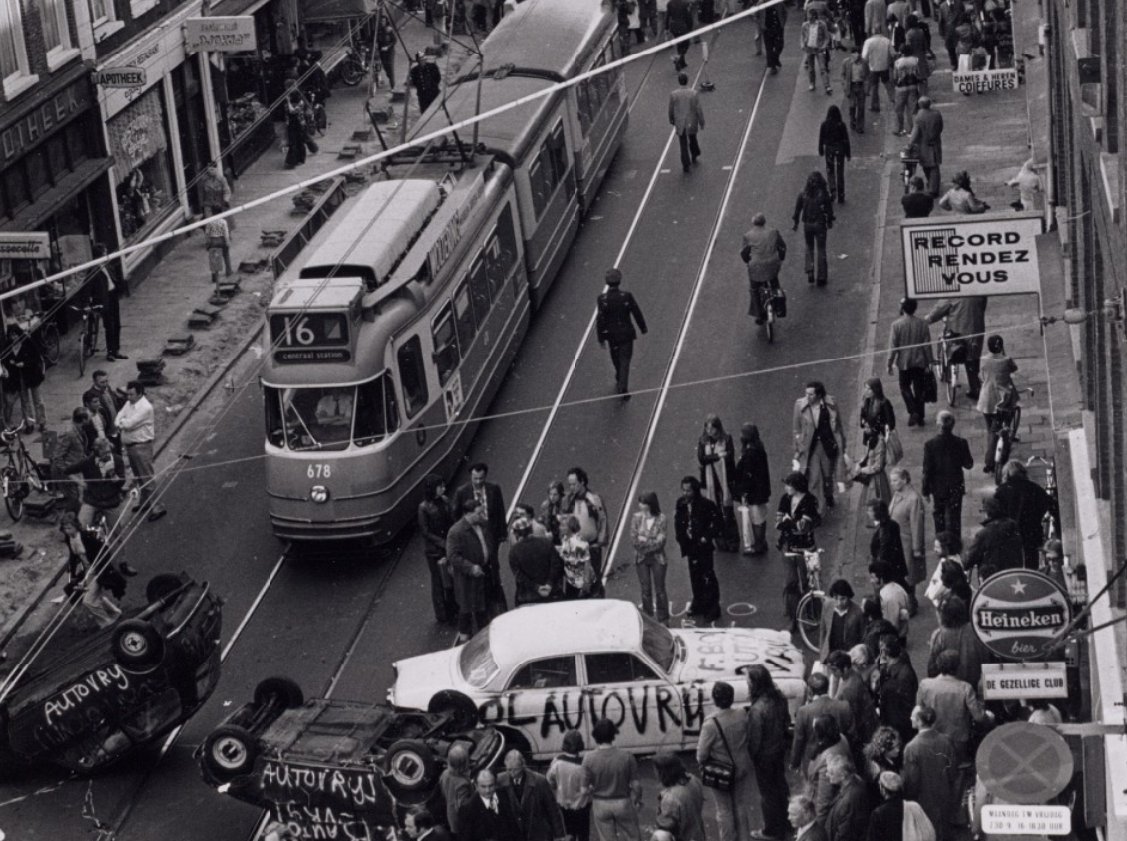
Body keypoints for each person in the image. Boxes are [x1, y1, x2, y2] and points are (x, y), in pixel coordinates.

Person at [696, 682, 755, 841]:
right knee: (739, 805)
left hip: (722, 771)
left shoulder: (711, 724)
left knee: (723, 809)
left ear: (715, 699)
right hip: (742, 766)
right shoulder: (742, 714)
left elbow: (701, 755)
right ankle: (744, 838)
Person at [916, 649, 989, 766]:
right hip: (958, 739)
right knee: (956, 768)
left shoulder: (925, 685)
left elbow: (918, 710)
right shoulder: (965, 688)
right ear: (957, 667)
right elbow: (978, 717)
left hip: (933, 736)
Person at [446, 498, 505, 642]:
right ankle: (467, 639)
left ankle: (484, 636)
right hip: (470, 578)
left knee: (485, 606)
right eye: (479, 513)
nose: (482, 515)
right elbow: (452, 556)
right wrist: (470, 568)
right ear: (468, 514)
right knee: (469, 608)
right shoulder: (456, 532)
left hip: (486, 572)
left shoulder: (483, 524)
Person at [60, 512, 129, 628]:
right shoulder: (69, 539)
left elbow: (104, 549)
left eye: (69, 528)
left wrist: (99, 565)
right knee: (94, 595)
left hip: (98, 571)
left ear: (76, 526)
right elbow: (73, 556)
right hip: (88, 571)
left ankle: (107, 622)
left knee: (88, 601)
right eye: (65, 528)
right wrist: (72, 574)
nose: (67, 531)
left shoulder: (86, 537)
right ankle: (115, 613)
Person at [747, 664, 792, 841]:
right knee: (781, 786)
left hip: (764, 756)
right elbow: (786, 722)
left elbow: (755, 740)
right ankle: (786, 822)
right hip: (778, 750)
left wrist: (751, 757)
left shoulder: (757, 709)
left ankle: (772, 830)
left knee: (767, 794)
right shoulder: (780, 698)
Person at [902, 705, 958, 841]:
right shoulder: (946, 741)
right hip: (944, 797)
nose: (910, 718)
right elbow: (953, 772)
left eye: (913, 717)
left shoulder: (911, 748)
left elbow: (912, 782)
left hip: (923, 801)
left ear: (920, 722)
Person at [582, 718, 643, 841]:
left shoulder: (588, 758)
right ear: (613, 735)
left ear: (595, 736)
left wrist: (592, 790)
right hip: (623, 803)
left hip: (600, 804)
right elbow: (636, 785)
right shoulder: (627, 756)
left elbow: (584, 790)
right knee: (634, 837)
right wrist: (637, 799)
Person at [115, 380, 166, 522]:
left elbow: (129, 424)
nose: (128, 397)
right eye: (127, 394)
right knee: (139, 477)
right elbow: (119, 416)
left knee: (146, 477)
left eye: (131, 394)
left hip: (141, 446)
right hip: (131, 447)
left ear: (139, 393)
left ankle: (157, 506)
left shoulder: (145, 408)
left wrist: (122, 423)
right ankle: (145, 501)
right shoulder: (129, 403)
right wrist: (122, 422)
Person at [675, 475, 723, 622]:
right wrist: (681, 537)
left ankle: (712, 607)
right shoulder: (681, 504)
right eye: (683, 490)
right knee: (694, 575)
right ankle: (699, 602)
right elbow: (678, 521)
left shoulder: (706, 504)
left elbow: (718, 522)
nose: (685, 494)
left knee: (707, 576)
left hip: (703, 546)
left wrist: (706, 537)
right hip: (690, 545)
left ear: (695, 490)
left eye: (688, 491)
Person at [793, 381, 847, 509]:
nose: (807, 397)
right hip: (810, 447)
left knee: (828, 475)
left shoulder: (831, 403)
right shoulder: (800, 405)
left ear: (819, 394)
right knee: (814, 477)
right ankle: (816, 506)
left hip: (827, 444)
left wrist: (842, 444)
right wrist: (797, 449)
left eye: (811, 394)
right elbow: (796, 429)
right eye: (806, 394)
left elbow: (838, 425)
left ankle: (829, 496)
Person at [596, 268, 648, 399]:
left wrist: (601, 337)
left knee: (615, 358)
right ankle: (623, 384)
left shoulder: (602, 299)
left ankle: (620, 376)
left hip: (612, 336)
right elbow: (636, 312)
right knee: (625, 360)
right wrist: (642, 327)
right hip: (626, 334)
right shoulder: (626, 296)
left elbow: (600, 319)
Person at [921, 411, 973, 540]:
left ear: (939, 425)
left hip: (938, 487)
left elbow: (927, 470)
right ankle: (955, 543)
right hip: (956, 486)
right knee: (955, 516)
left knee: (939, 515)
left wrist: (925, 491)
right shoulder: (961, 442)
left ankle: (941, 541)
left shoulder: (930, 445)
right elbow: (969, 464)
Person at [993, 460, 1053, 568]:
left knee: (1012, 567)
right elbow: (1049, 505)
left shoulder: (1001, 491)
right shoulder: (1035, 488)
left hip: (1009, 536)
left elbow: (995, 512)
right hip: (1032, 533)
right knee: (1031, 566)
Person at [791, 673, 853, 775]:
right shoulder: (844, 706)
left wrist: (794, 763)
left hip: (814, 761)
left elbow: (799, 740)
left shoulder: (804, 711)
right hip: (840, 758)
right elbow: (851, 734)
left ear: (810, 690)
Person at [497, 749, 566, 841]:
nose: (512, 773)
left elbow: (552, 809)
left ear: (523, 766)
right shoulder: (500, 780)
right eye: (509, 770)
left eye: (515, 769)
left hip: (537, 833)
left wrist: (559, 835)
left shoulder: (539, 782)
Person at [887, 298, 935, 426]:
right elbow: (927, 345)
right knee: (919, 389)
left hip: (904, 363)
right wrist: (930, 360)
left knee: (904, 387)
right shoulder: (922, 324)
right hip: (920, 362)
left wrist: (889, 363)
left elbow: (893, 347)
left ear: (902, 308)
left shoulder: (896, 325)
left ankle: (913, 410)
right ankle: (920, 417)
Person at [419, 474, 458, 624]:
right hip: (434, 551)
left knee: (450, 578)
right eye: (440, 486)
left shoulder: (445, 500)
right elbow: (425, 531)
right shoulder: (423, 508)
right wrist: (443, 543)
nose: (444, 488)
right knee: (438, 581)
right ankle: (442, 613)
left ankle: (453, 608)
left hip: (447, 545)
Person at [926, 595, 988, 688]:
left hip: (949, 685)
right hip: (974, 682)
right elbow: (985, 658)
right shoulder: (977, 630)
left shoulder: (939, 635)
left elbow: (932, 667)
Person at [977, 334, 1018, 473]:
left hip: (987, 399)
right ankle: (1000, 459)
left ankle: (989, 462)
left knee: (991, 430)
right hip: (1003, 400)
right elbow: (1014, 368)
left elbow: (981, 375)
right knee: (1004, 428)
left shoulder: (983, 360)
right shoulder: (1006, 360)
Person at [565, 467, 609, 593]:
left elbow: (603, 519)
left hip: (591, 546)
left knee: (593, 580)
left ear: (582, 482)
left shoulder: (594, 499)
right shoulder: (568, 500)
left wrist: (599, 542)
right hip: (574, 547)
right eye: (570, 485)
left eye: (574, 484)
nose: (571, 487)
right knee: (574, 581)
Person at [697, 414, 737, 551]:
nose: (709, 431)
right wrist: (717, 456)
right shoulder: (703, 441)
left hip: (724, 480)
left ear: (717, 428)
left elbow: (730, 457)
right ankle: (720, 539)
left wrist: (711, 458)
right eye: (707, 428)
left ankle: (732, 539)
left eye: (712, 428)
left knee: (728, 510)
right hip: (711, 480)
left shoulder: (726, 439)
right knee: (715, 511)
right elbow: (701, 458)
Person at [888, 468, 927, 610]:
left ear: (904, 480)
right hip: (897, 542)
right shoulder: (898, 493)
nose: (892, 483)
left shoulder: (913, 498)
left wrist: (916, 548)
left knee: (909, 576)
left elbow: (916, 525)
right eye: (891, 480)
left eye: (895, 480)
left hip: (907, 543)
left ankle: (911, 604)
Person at [740, 213, 787, 325]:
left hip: (756, 267)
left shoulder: (748, 236)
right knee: (775, 284)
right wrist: (780, 258)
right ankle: (779, 307)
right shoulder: (773, 232)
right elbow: (782, 247)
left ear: (754, 223)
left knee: (754, 289)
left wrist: (748, 261)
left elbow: (744, 253)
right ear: (764, 222)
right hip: (772, 265)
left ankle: (759, 313)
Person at [732, 422, 772, 555]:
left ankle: (758, 544)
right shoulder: (759, 448)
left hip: (754, 492)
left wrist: (743, 491)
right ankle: (762, 541)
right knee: (760, 516)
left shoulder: (750, 452)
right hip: (761, 489)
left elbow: (747, 475)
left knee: (756, 518)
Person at [826, 650, 879, 749]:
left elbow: (851, 718)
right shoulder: (853, 672)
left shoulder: (849, 689)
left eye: (834, 670)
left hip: (862, 732)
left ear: (845, 669)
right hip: (869, 722)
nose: (832, 673)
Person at [631, 491, 670, 623]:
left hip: (657, 558)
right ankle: (649, 619)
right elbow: (634, 540)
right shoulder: (636, 518)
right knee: (645, 589)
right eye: (640, 503)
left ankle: (663, 618)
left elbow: (661, 541)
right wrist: (650, 540)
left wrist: (645, 541)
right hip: (641, 559)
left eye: (643, 503)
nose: (640, 506)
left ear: (650, 505)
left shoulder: (661, 518)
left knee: (660, 589)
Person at [808, 716, 854, 826]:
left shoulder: (828, 758)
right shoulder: (841, 738)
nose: (813, 732)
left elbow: (824, 798)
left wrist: (818, 826)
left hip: (820, 805)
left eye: (815, 729)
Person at [963, 496, 1024, 578]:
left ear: (987, 513)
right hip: (1014, 575)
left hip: (992, 577)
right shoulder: (1013, 527)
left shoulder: (984, 534)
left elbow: (969, 560)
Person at [792, 171, 835, 287]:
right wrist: (830, 220)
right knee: (821, 249)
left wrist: (796, 222)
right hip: (820, 225)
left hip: (807, 225)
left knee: (809, 247)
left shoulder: (803, 194)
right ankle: (821, 276)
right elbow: (829, 210)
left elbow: (797, 211)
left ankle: (810, 270)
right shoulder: (823, 194)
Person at [547, 730, 591, 841]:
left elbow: (549, 780)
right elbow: (585, 789)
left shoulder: (556, 761)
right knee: (583, 835)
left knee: (568, 834)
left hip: (563, 804)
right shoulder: (583, 765)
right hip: (581, 806)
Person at [874, 635, 919, 744]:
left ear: (885, 652)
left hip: (899, 723)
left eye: (881, 648)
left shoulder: (903, 675)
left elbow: (906, 704)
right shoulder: (895, 665)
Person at [509, 516, 564, 605]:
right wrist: (549, 584)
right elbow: (556, 565)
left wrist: (537, 588)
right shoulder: (546, 543)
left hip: (528, 597)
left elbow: (520, 577)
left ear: (516, 534)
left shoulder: (514, 552)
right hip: (552, 594)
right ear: (531, 529)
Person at [76, 437, 127, 529]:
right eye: (104, 453)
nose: (107, 455)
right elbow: (67, 471)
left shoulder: (117, 460)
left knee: (116, 532)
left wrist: (112, 474)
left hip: (110, 501)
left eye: (109, 452)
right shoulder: (88, 462)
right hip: (92, 500)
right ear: (96, 452)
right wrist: (81, 483)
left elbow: (122, 482)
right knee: (82, 526)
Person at [2, 325, 46, 432]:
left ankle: (41, 422)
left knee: (37, 399)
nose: (13, 337)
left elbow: (36, 357)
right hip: (19, 376)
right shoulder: (8, 346)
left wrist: (25, 363)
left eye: (15, 334)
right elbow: (5, 359)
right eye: (11, 335)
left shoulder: (27, 342)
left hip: (32, 374)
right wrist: (11, 363)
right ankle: (29, 423)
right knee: (24, 400)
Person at [459, 768, 523, 841]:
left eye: (491, 786)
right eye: (483, 786)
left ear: (495, 784)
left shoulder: (504, 795)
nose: (487, 790)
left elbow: (514, 827)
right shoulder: (467, 809)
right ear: (476, 786)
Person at [452, 462, 508, 545]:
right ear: (470, 476)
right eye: (475, 478)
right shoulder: (461, 492)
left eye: (481, 478)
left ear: (485, 476)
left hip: (491, 533)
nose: (478, 482)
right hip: (473, 535)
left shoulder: (494, 489)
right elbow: (456, 515)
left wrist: (503, 533)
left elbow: (500, 510)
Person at [88, 244, 127, 362]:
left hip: (113, 295)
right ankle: (110, 351)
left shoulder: (108, 265)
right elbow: (88, 287)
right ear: (100, 255)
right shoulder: (93, 270)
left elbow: (114, 278)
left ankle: (116, 350)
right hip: (104, 299)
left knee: (117, 323)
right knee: (109, 325)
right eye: (105, 253)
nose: (106, 255)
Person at [52, 407, 92, 514]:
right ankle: (70, 522)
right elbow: (57, 457)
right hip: (66, 472)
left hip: (75, 469)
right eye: (89, 416)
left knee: (78, 496)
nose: (91, 418)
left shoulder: (79, 429)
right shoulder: (68, 433)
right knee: (73, 499)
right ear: (83, 419)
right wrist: (67, 473)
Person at [825, 752, 871, 841]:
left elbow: (844, 835)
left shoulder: (850, 800)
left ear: (842, 776)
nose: (827, 775)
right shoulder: (854, 780)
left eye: (831, 773)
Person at [869, 500, 910, 592]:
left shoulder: (884, 529)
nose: (868, 513)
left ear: (877, 512)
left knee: (895, 586)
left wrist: (877, 569)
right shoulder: (891, 524)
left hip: (888, 567)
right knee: (900, 584)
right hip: (895, 565)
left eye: (870, 511)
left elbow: (883, 549)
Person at [820, 579, 865, 661]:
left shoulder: (858, 612)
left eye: (843, 599)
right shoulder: (827, 606)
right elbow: (823, 631)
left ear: (849, 597)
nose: (839, 603)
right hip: (830, 654)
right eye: (836, 598)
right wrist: (822, 654)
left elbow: (862, 637)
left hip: (849, 656)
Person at [668, 73, 705, 173]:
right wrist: (701, 121)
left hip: (680, 122)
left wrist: (671, 119)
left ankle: (685, 163)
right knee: (693, 137)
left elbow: (671, 109)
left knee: (683, 143)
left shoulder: (674, 94)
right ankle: (695, 153)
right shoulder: (693, 93)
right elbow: (698, 109)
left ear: (679, 81)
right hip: (691, 121)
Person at [907, 97, 943, 196]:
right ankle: (934, 187)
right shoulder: (937, 114)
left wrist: (910, 144)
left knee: (927, 166)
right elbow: (941, 127)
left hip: (923, 145)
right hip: (935, 143)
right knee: (935, 166)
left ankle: (932, 186)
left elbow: (915, 132)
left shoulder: (919, 117)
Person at [924, 532, 968, 610]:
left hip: (948, 602)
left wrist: (932, 594)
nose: (935, 550)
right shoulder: (955, 558)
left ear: (946, 548)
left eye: (937, 547)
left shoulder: (948, 565)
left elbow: (940, 586)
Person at [869, 560, 910, 641]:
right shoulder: (898, 587)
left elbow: (890, 624)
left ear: (881, 579)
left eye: (873, 577)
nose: (871, 581)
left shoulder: (886, 597)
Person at [439, 744, 474, 835]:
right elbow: (463, 809)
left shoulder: (445, 774)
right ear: (465, 762)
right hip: (459, 824)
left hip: (448, 817)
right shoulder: (462, 784)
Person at [818, 105, 851, 203]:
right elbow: (846, 140)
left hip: (829, 150)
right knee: (840, 172)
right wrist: (848, 153)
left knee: (830, 170)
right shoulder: (841, 124)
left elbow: (821, 139)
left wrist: (821, 149)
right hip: (839, 149)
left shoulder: (824, 125)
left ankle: (832, 190)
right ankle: (841, 194)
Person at [559, 515, 595, 599]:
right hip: (571, 580)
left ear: (571, 527)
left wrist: (586, 585)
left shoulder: (579, 544)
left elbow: (587, 564)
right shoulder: (565, 539)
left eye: (563, 525)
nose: (560, 527)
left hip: (580, 583)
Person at [861, 27, 894, 113]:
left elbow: (864, 56)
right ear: (881, 31)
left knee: (874, 87)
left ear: (873, 32)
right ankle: (893, 100)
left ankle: (875, 105)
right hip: (885, 66)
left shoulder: (868, 42)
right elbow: (893, 53)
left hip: (873, 68)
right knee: (888, 84)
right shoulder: (887, 41)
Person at [890, 44, 921, 136]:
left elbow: (895, 77)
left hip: (901, 88)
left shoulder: (898, 62)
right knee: (912, 109)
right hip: (913, 86)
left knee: (899, 109)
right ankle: (913, 129)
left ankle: (900, 128)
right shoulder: (915, 60)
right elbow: (918, 73)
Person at [801, 9, 833, 93]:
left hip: (819, 49)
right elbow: (802, 36)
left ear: (814, 16)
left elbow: (827, 37)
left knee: (823, 68)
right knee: (811, 68)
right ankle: (812, 83)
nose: (808, 17)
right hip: (809, 49)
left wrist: (824, 46)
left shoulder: (822, 25)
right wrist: (802, 45)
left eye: (809, 15)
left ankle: (827, 86)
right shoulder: (805, 25)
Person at [842, 45, 868, 132]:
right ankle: (852, 121)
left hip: (860, 86)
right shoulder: (846, 62)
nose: (856, 55)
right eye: (854, 53)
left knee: (861, 107)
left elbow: (867, 75)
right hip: (851, 86)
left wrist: (867, 87)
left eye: (858, 53)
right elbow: (843, 75)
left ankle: (860, 126)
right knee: (852, 106)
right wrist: (844, 85)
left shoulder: (864, 62)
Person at [862, 597, 898, 662]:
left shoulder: (872, 635)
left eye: (862, 606)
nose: (860, 607)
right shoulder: (888, 625)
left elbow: (871, 655)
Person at [666, 0, 694, 70]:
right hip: (682, 26)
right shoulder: (685, 3)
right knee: (686, 43)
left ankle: (682, 62)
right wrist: (690, 27)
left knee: (679, 44)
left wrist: (666, 27)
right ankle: (679, 58)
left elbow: (667, 16)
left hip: (674, 26)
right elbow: (688, 16)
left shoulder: (670, 3)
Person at [204, 213, 231, 285]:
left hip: (213, 240)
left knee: (214, 258)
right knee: (226, 256)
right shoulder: (223, 221)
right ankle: (228, 271)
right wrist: (227, 242)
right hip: (222, 240)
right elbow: (226, 233)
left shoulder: (210, 222)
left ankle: (214, 276)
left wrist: (207, 242)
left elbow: (207, 233)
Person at [283, 90, 307, 169]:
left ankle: (295, 160)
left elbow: (292, 111)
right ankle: (295, 160)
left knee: (298, 142)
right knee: (294, 142)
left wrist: (288, 101)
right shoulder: (295, 103)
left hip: (298, 124)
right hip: (293, 125)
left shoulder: (300, 103)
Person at [539, 480, 567, 545]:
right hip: (549, 537)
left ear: (560, 494)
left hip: (562, 537)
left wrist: (554, 533)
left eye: (555, 494)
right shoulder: (545, 505)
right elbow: (542, 520)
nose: (552, 497)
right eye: (550, 494)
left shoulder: (565, 506)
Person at [762, 0, 786, 74]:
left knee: (780, 45)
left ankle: (775, 58)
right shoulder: (761, 4)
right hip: (767, 29)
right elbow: (755, 15)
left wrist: (782, 23)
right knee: (769, 48)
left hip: (778, 28)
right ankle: (772, 66)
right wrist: (761, 25)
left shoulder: (779, 3)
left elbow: (785, 13)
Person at [375, 17, 396, 88]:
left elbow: (394, 41)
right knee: (385, 67)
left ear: (386, 22)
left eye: (383, 21)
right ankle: (390, 77)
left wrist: (388, 47)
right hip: (382, 52)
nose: (382, 22)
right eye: (381, 21)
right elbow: (375, 39)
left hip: (390, 51)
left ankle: (393, 86)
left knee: (390, 66)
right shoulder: (378, 31)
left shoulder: (389, 30)